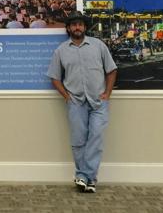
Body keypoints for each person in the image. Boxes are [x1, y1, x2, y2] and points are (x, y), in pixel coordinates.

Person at [47, 10, 117, 193]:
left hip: (98, 102)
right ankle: (85, 178)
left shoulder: (98, 46)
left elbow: (111, 70)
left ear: (85, 27)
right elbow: (54, 77)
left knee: (96, 137)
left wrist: (107, 93)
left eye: (80, 24)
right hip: (76, 102)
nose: (77, 27)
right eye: (74, 24)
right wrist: (66, 96)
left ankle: (86, 177)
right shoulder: (61, 51)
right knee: (78, 140)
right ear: (69, 28)